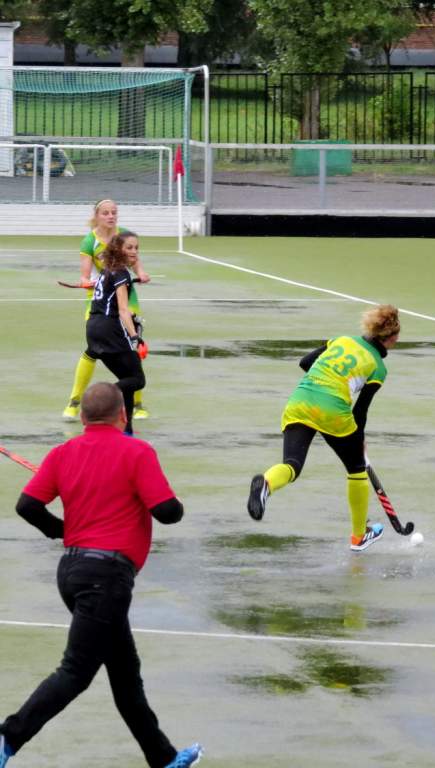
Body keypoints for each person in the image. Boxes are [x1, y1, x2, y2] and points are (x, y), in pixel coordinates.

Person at [0, 383, 202, 768]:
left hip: (74, 572)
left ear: (82, 417)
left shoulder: (63, 453)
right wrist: (173, 504)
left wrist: (63, 530)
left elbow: (27, 506)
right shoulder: (137, 451)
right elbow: (167, 512)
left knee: (126, 676)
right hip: (105, 579)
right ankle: (8, 736)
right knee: (75, 672)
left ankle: (163, 759)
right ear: (123, 415)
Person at [247, 304, 401, 552]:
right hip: (333, 412)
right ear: (390, 338)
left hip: (300, 401)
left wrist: (327, 377)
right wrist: (358, 440)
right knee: (356, 469)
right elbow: (360, 411)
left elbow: (305, 361)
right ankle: (359, 536)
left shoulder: (341, 340)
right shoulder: (378, 368)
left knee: (292, 465)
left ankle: (266, 483)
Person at [62, 199, 151, 421]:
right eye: (106, 213)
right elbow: (85, 275)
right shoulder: (89, 241)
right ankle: (77, 401)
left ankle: (136, 405)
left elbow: (135, 263)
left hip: (124, 296)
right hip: (99, 302)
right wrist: (87, 281)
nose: (111, 216)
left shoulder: (123, 237)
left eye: (114, 213)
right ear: (97, 216)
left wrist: (142, 272)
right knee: (94, 350)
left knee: (132, 351)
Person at [83, 231, 147, 435]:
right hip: (110, 330)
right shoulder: (120, 273)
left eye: (136, 248)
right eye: (129, 247)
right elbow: (122, 310)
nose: (134, 251)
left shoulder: (108, 270)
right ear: (118, 249)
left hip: (93, 329)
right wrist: (135, 336)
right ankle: (103, 397)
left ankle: (127, 432)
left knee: (127, 378)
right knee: (137, 379)